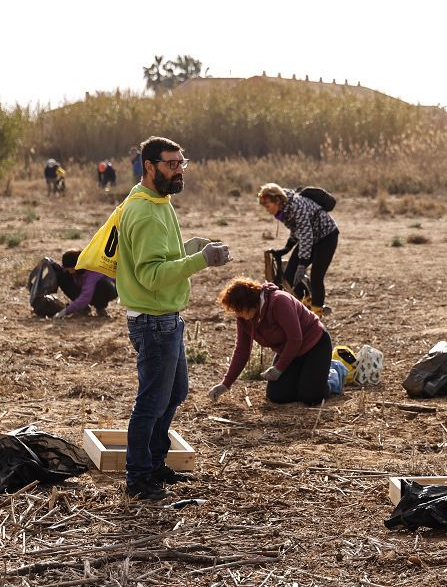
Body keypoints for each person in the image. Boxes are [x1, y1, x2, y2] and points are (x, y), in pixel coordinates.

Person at [119, 136, 231, 501]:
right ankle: (138, 478)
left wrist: (191, 248)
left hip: (163, 319)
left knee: (175, 392)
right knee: (151, 402)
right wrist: (201, 261)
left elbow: (157, 259)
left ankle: (153, 464)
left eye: (183, 163)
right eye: (171, 164)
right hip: (154, 322)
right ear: (149, 166)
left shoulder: (156, 201)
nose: (180, 170)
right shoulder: (146, 211)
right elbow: (151, 276)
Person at [209, 277, 347, 405]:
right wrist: (225, 384)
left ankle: (333, 372)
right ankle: (308, 376)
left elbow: (295, 339)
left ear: (250, 303)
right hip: (289, 352)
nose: (236, 314)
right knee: (277, 396)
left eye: (238, 309)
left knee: (310, 398)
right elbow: (242, 351)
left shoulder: (279, 301)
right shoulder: (244, 318)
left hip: (314, 345)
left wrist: (279, 369)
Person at [258, 183, 338, 312]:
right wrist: (287, 248)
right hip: (310, 237)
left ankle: (317, 312)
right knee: (290, 275)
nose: (267, 210)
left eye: (268, 206)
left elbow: (306, 235)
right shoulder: (284, 208)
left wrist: (302, 264)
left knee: (316, 276)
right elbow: (297, 230)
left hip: (326, 237)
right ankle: (305, 305)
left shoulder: (296, 206)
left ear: (277, 200)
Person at [53, 249, 117, 318]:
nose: (70, 272)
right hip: (86, 287)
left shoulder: (92, 269)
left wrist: (65, 311)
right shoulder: (74, 266)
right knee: (62, 276)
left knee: (103, 285)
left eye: (71, 269)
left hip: (109, 288)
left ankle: (100, 307)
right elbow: (62, 269)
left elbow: (86, 296)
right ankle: (83, 308)